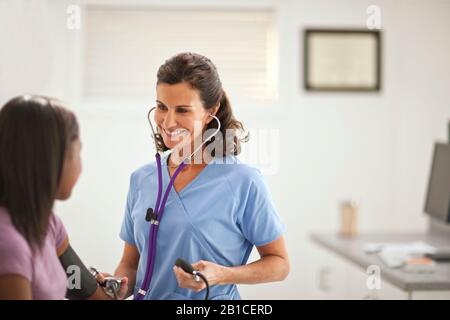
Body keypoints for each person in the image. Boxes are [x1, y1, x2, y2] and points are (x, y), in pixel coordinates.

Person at [110, 52, 289, 300]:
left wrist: (222, 275)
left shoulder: (243, 182)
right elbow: (130, 264)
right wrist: (116, 285)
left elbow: (279, 264)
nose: (168, 122)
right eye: (162, 107)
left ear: (211, 110)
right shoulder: (142, 179)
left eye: (182, 110)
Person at [0, 95, 127, 300]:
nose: (81, 164)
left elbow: (91, 294)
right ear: (49, 159)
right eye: (77, 151)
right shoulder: (9, 244)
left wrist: (111, 293)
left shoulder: (48, 224)